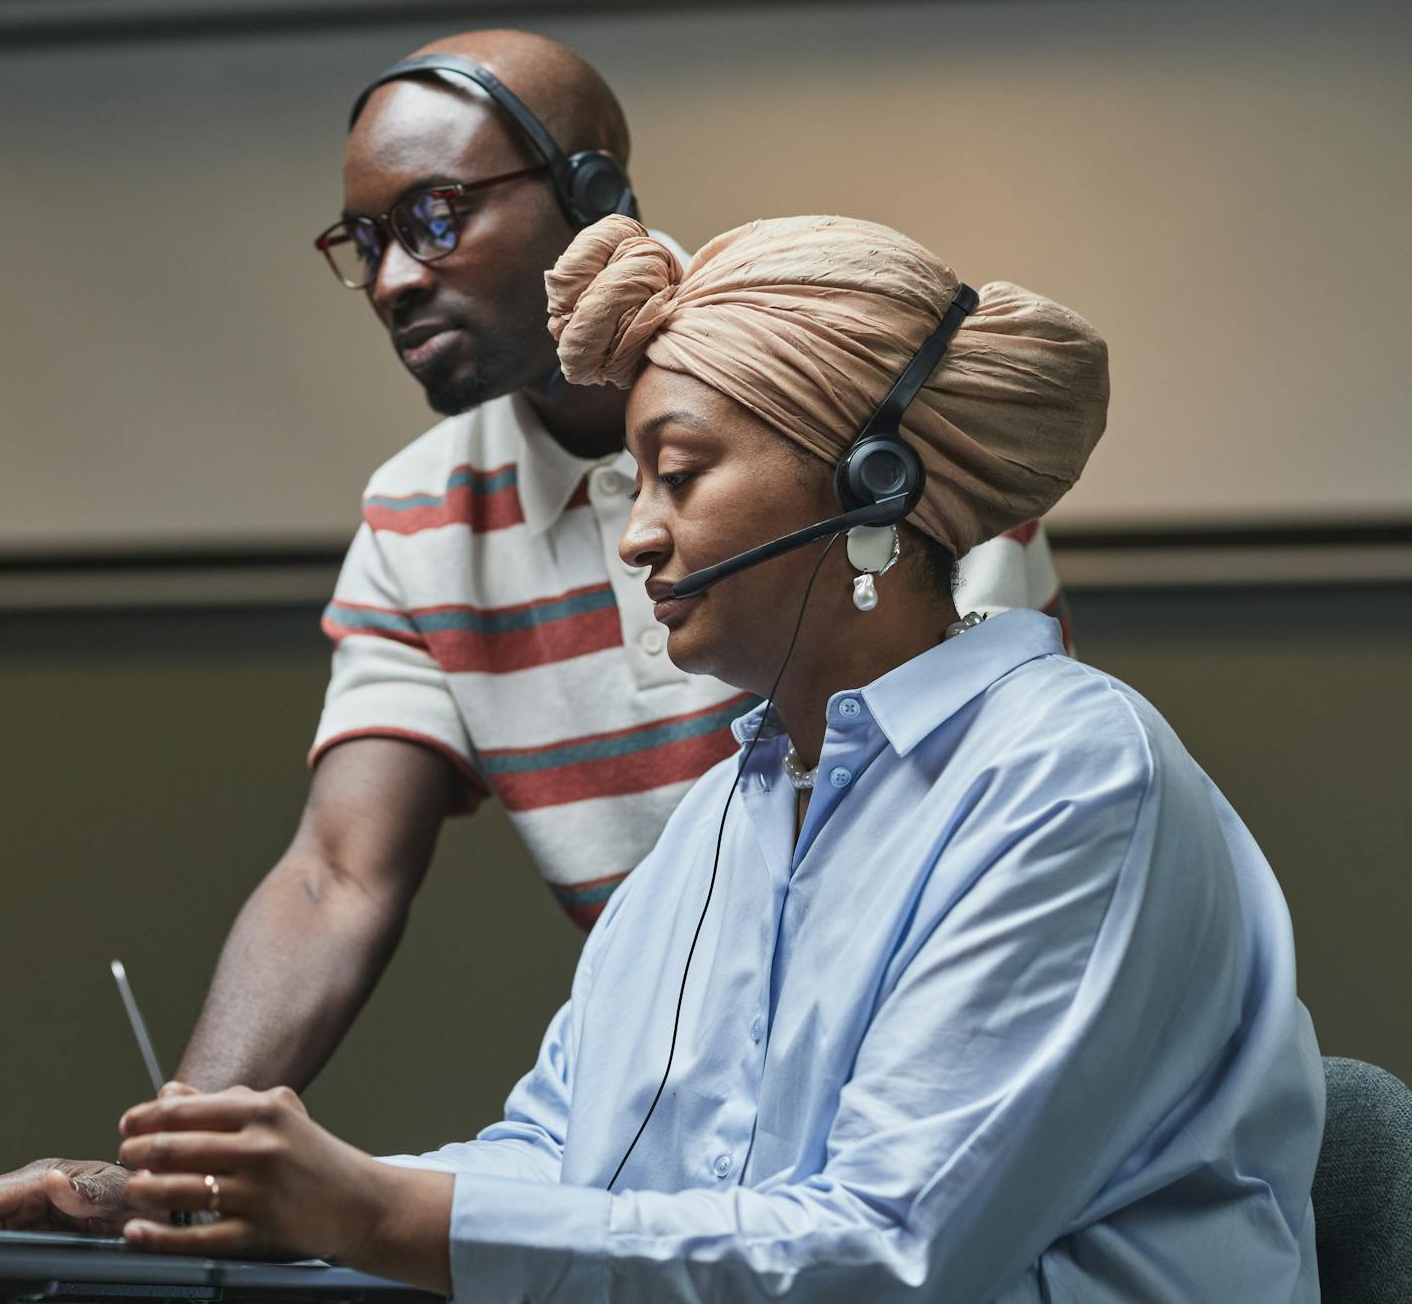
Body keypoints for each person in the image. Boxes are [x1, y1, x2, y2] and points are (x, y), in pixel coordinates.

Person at [0, 30, 1068, 1232]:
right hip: (674, 1145)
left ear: (590, 198)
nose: (390, 280)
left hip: (902, 1110)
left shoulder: (851, 411)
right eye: (364, 242)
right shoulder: (421, 518)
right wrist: (180, 1174)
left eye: (433, 217)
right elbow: (335, 876)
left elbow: (969, 808)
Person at [100, 214, 1324, 1302]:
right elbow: (558, 1161)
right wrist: (252, 1206)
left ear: (870, 482)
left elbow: (883, 1256)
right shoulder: (725, 816)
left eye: (677, 475)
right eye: (636, 481)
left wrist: (373, 1215)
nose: (635, 534)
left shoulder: (1068, 776)